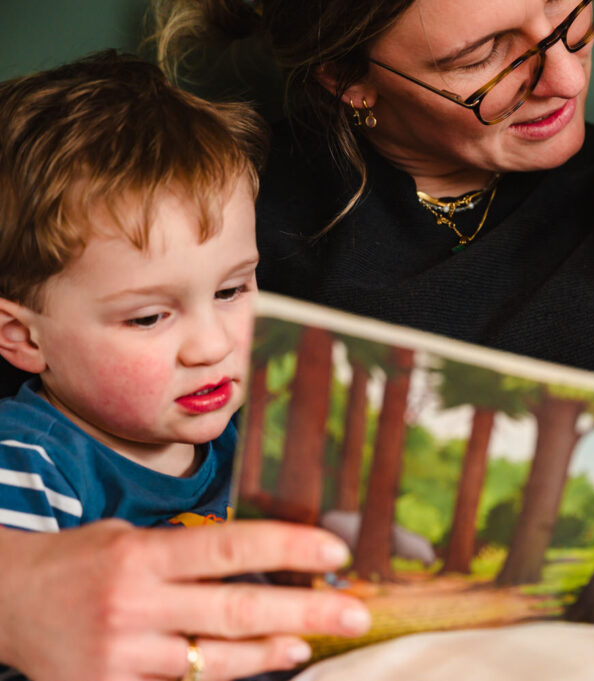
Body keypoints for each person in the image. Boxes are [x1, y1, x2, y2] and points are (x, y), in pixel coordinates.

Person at [0, 53, 370, 681]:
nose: (211, 345)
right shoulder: (30, 465)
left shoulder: (259, 435)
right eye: (148, 318)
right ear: (22, 337)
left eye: (231, 291)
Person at [151, 0, 594, 386]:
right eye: (481, 59)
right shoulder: (232, 218)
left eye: (562, 9)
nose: (566, 79)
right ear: (344, 77)